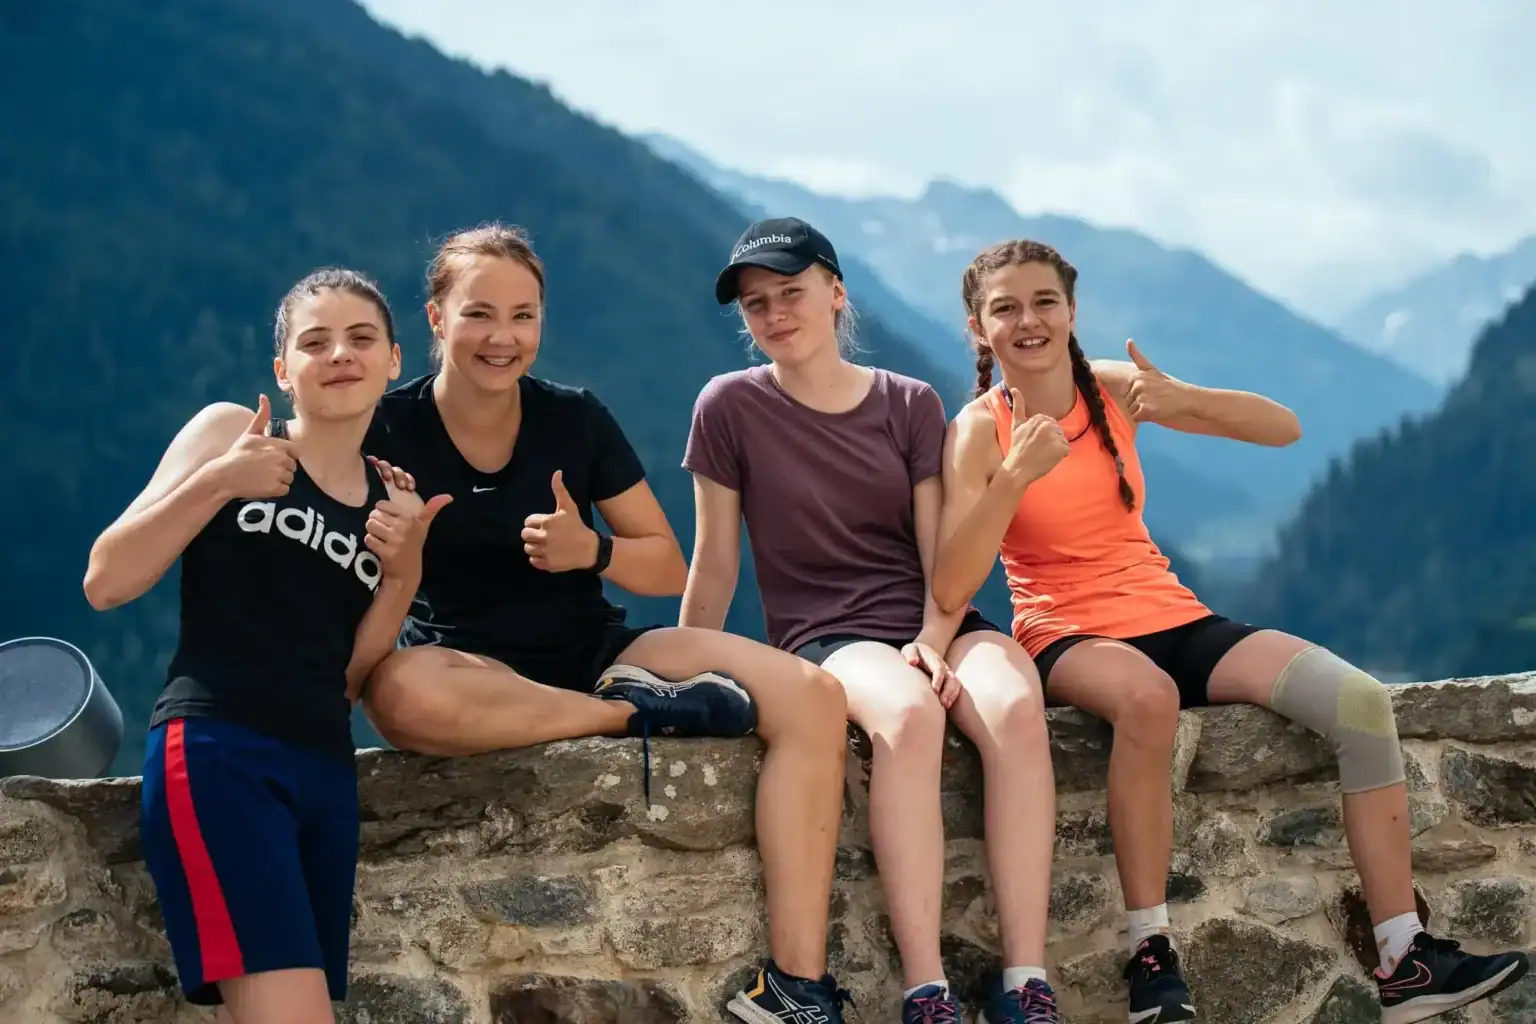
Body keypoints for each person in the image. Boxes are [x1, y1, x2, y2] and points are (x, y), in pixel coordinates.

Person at [931, 238, 1532, 1024]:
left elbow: (1282, 429)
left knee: (1359, 703)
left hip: (1179, 618)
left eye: (1044, 301)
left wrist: (1182, 400)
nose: (1029, 320)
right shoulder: (977, 430)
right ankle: (1151, 956)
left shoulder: (1111, 388)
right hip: (1069, 636)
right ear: (980, 328)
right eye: (1005, 308)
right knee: (1147, 702)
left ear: (1072, 311)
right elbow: (949, 581)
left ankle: (1404, 956)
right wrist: (1013, 478)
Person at [357, 222, 854, 1024]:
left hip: (603, 649)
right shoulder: (384, 429)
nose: (503, 337)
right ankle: (633, 718)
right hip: (465, 671)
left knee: (814, 697)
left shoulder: (575, 418)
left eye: (524, 316)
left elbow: (663, 561)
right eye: (480, 314)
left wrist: (591, 550)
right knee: (398, 697)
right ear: (436, 319)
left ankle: (800, 988)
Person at [681, 217, 1061, 1024]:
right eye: (756, 304)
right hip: (828, 637)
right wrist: (686, 674)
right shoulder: (728, 407)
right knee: (910, 714)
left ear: (836, 293)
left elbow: (940, 551)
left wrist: (932, 636)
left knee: (1019, 706)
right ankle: (929, 992)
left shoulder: (908, 403)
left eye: (792, 293)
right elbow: (715, 564)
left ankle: (1028, 984)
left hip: (938, 615)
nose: (775, 314)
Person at [83, 269, 446, 1024]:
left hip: (323, 773)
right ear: (284, 371)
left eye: (361, 338)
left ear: (395, 361)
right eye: (314, 342)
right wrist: (219, 482)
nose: (339, 353)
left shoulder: (390, 498)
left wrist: (405, 571)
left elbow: (349, 676)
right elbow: (107, 579)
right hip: (220, 752)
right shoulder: (232, 436)